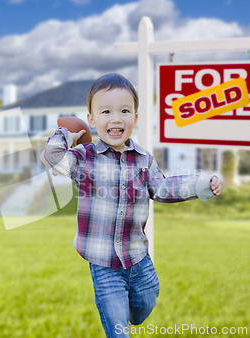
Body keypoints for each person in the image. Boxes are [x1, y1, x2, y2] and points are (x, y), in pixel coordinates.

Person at [42, 73, 222, 337]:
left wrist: (201, 185)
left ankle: (134, 313)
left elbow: (162, 187)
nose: (116, 118)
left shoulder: (143, 160)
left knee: (145, 305)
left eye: (124, 111)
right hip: (103, 264)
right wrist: (67, 134)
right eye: (106, 111)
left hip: (138, 258)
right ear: (92, 120)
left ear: (135, 118)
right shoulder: (84, 159)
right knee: (118, 328)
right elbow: (52, 156)